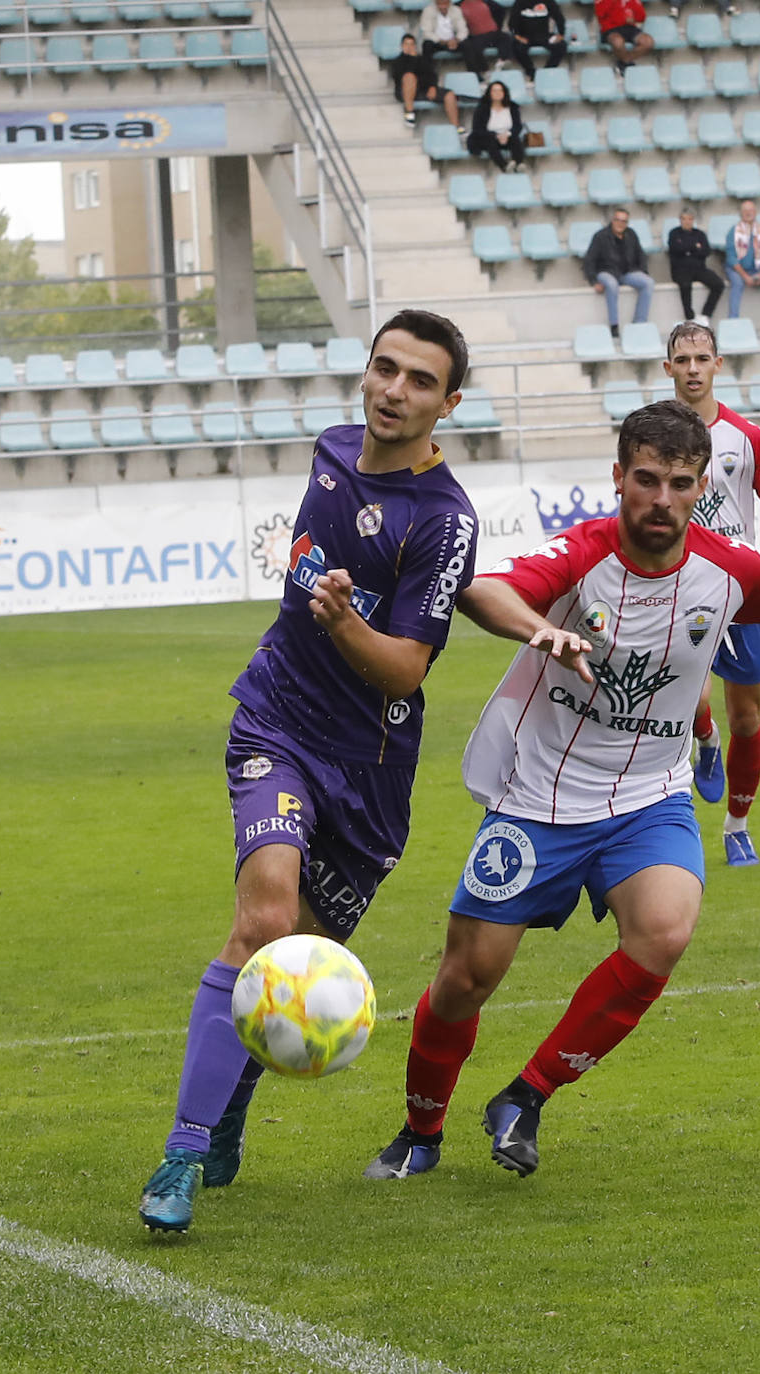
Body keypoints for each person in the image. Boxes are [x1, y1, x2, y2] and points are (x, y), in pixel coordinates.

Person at [362, 400, 760, 1184]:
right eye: (644, 480)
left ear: (699, 488)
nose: (659, 499)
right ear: (618, 477)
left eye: (678, 483)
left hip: (649, 798)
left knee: (663, 932)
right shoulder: (580, 554)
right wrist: (537, 628)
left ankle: (525, 1096)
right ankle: (420, 1131)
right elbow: (485, 590)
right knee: (466, 979)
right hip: (539, 799)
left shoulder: (725, 570)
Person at [137, 310, 480, 1235]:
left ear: (448, 403)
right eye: (383, 369)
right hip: (277, 723)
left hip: (369, 777)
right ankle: (180, 1150)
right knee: (263, 922)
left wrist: (344, 622)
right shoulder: (331, 448)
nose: (392, 391)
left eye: (417, 381)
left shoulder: (445, 523)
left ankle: (230, 1109)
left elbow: (407, 664)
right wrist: (324, 622)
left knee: (290, 966)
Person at [664, 321, 760, 867]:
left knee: (747, 718)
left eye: (702, 358)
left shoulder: (747, 438)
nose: (693, 368)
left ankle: (737, 825)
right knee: (686, 699)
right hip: (672, 583)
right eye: (683, 359)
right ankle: (703, 738)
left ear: (718, 364)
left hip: (738, 587)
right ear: (667, 367)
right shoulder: (650, 433)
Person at [583, 207, 654, 341]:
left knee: (648, 282)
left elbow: (641, 255)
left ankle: (639, 323)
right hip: (606, 271)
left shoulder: (631, 234)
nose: (620, 223)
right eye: (617, 220)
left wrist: (643, 271)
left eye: (624, 221)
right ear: (612, 220)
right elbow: (589, 260)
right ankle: (614, 325)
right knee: (611, 284)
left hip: (627, 272)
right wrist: (593, 281)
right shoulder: (601, 236)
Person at [390, 33, 463, 131]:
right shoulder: (397, 61)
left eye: (411, 44)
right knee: (409, 76)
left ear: (415, 46)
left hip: (423, 90)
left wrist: (432, 87)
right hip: (405, 91)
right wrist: (412, 59)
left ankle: (456, 127)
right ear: (402, 46)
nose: (409, 47)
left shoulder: (422, 59)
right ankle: (409, 113)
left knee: (449, 94)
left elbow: (432, 74)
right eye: (406, 44)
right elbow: (399, 76)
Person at [724, 199, 760, 319]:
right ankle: (733, 319)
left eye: (751, 210)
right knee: (738, 282)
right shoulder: (733, 232)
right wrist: (745, 276)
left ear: (755, 212)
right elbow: (731, 258)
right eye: (745, 210)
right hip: (737, 269)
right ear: (740, 213)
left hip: (757, 269)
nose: (748, 213)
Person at [667, 208, 724, 323]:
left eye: (690, 219)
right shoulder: (674, 233)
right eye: (684, 219)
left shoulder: (700, 234)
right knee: (685, 285)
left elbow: (706, 251)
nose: (687, 222)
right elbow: (675, 249)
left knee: (718, 284)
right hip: (680, 270)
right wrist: (695, 247)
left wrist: (687, 249)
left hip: (699, 269)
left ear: (693, 220)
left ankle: (705, 314)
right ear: (680, 220)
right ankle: (690, 317)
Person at [466, 79, 526, 170]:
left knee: (515, 139)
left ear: (504, 92)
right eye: (494, 91)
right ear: (489, 93)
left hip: (507, 136)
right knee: (490, 141)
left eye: (500, 90)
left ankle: (519, 163)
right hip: (488, 137)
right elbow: (477, 129)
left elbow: (518, 126)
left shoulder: (512, 107)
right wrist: (496, 135)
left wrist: (507, 134)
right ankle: (504, 166)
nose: (497, 93)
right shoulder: (482, 108)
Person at [508, 0, 567, 79]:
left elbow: (559, 18)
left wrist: (561, 34)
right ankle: (531, 72)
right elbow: (512, 22)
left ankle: (545, 73)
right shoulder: (520, 2)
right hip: (525, 36)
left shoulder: (548, 1)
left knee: (561, 45)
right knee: (517, 47)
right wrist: (517, 36)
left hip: (544, 36)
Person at [594, 0, 653, 74]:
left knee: (648, 42)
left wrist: (634, 19)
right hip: (610, 29)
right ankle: (627, 63)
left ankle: (624, 61)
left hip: (629, 28)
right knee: (617, 42)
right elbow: (600, 13)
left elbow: (642, 17)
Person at [460, 0, 511, 74]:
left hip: (492, 33)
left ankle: (502, 61)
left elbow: (501, 10)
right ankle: (485, 70)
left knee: (505, 37)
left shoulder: (486, 2)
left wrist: (498, 26)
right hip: (476, 36)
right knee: (474, 47)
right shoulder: (459, 6)